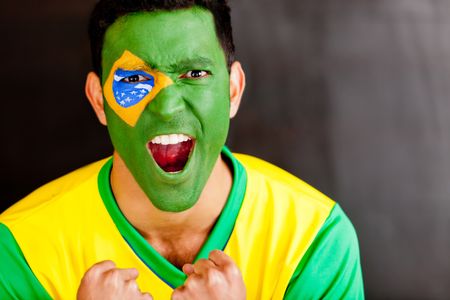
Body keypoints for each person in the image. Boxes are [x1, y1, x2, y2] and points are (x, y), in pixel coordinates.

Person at [0, 0, 364, 299]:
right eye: (134, 78)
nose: (168, 106)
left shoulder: (312, 241)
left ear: (233, 91)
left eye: (195, 74)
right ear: (100, 101)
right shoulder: (20, 250)